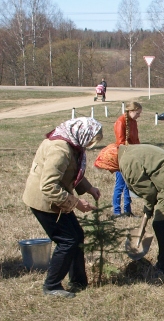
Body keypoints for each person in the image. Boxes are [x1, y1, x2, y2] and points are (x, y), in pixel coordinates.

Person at [22, 117, 103, 298]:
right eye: (90, 140)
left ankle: (78, 281)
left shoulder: (70, 143)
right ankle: (51, 285)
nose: (90, 145)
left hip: (57, 198)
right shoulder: (59, 150)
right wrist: (77, 203)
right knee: (67, 240)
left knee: (77, 235)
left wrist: (88, 188)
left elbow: (71, 171)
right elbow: (49, 186)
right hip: (45, 202)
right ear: (82, 134)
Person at [94, 144, 164, 273]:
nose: (111, 171)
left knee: (161, 224)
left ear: (111, 160)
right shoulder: (128, 152)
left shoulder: (127, 163)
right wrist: (149, 207)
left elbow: (149, 192)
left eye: (108, 168)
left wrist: (148, 208)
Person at [112, 101, 142, 217]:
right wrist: (128, 154)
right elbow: (120, 142)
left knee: (129, 184)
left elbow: (136, 139)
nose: (139, 115)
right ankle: (116, 211)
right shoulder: (120, 122)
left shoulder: (133, 122)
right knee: (120, 184)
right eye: (138, 113)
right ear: (131, 111)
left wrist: (139, 152)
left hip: (132, 156)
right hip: (123, 156)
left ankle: (128, 210)